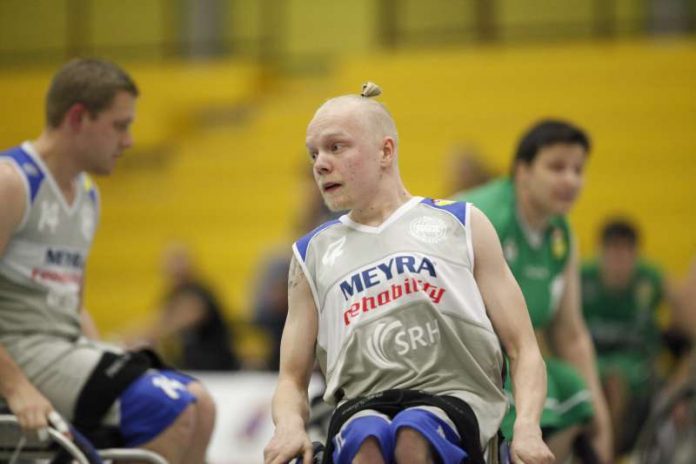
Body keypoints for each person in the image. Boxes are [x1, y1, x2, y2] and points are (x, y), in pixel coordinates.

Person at [264, 83, 554, 464]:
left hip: (454, 402)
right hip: (361, 406)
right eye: (313, 153)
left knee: (413, 434)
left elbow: (524, 348)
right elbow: (291, 378)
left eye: (336, 147)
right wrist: (289, 426)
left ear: (385, 151)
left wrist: (528, 429)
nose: (319, 163)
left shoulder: (462, 223)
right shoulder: (309, 255)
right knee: (367, 441)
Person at [0, 58, 215, 464]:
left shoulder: (87, 195)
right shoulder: (12, 182)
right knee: (168, 410)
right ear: (78, 117)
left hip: (62, 349)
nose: (129, 140)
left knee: (201, 404)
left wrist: (103, 352)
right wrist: (15, 387)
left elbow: (72, 303)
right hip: (20, 353)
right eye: (120, 125)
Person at [452, 120, 613, 463]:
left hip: (513, 362)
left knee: (572, 387)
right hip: (462, 363)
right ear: (522, 171)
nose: (570, 179)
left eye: (578, 169)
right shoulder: (479, 217)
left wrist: (601, 416)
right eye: (556, 167)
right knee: (544, 393)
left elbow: (570, 335)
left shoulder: (561, 234)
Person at [581, 218, 666, 452]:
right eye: (613, 251)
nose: (619, 260)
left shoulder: (651, 281)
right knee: (598, 378)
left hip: (636, 363)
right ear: (601, 252)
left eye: (626, 251)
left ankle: (607, 451)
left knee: (614, 380)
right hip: (592, 359)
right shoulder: (582, 278)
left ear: (636, 254)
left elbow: (682, 319)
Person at [130, 243, 241, 371]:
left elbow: (174, 321)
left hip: (217, 369)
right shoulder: (172, 295)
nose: (174, 267)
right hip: (191, 367)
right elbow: (157, 320)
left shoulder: (199, 292)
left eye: (178, 260)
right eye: (170, 261)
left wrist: (142, 336)